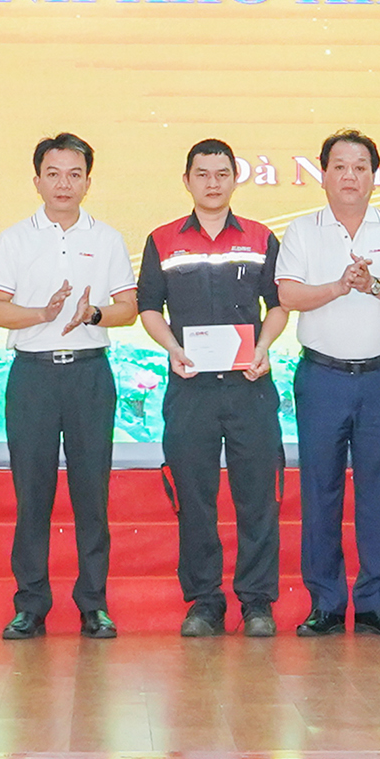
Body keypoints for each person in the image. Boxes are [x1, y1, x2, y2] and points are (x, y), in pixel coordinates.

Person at [0, 133, 139, 639]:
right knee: (33, 493)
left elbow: (128, 308)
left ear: (88, 182)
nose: (64, 184)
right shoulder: (14, 239)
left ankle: (93, 604)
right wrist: (43, 313)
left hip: (89, 374)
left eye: (75, 174)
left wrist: (93, 314)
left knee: (91, 492)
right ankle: (31, 604)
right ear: (37, 181)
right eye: (53, 174)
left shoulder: (107, 239)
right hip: (32, 375)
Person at [136, 139, 291, 637]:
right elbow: (148, 307)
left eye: (222, 173)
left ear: (235, 179)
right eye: (202, 174)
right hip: (190, 387)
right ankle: (205, 601)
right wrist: (172, 348)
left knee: (257, 496)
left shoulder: (261, 237)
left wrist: (263, 346)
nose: (212, 183)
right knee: (195, 497)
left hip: (250, 385)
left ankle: (257, 602)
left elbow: (279, 305)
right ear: (187, 180)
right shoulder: (162, 240)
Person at [275, 129, 380, 637]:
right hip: (322, 377)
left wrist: (372, 284)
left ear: (374, 176)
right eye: (339, 166)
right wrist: (341, 286)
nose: (349, 176)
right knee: (320, 491)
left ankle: (375, 603)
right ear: (323, 174)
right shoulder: (302, 231)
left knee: (379, 492)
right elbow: (289, 296)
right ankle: (325, 602)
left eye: (360, 167)